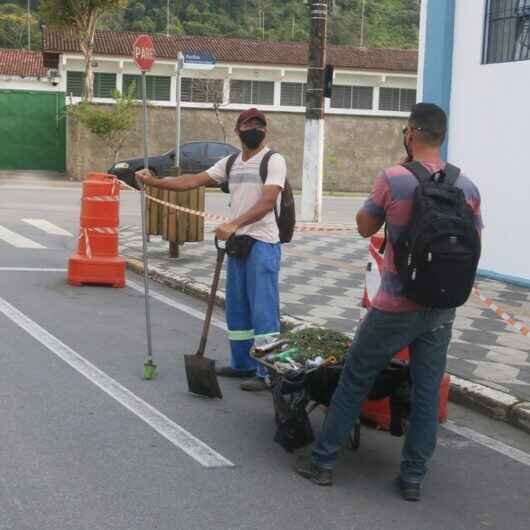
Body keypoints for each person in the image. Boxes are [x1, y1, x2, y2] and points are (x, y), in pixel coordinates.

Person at [293, 103, 483, 501]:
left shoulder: (394, 179)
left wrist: (398, 172)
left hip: (396, 304)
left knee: (355, 379)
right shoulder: (466, 186)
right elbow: (475, 242)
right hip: (442, 307)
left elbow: (365, 226)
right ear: (442, 136)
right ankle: (412, 478)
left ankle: (323, 462)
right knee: (427, 390)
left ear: (410, 133)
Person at [136, 108, 286, 392]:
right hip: (238, 244)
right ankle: (242, 364)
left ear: (265, 130)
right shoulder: (231, 163)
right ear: (238, 130)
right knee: (237, 307)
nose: (254, 129)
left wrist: (234, 224)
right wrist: (154, 181)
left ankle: (268, 373)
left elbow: (268, 202)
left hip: (263, 243)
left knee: (264, 312)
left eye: (259, 125)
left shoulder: (273, 160)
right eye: (248, 125)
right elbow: (191, 181)